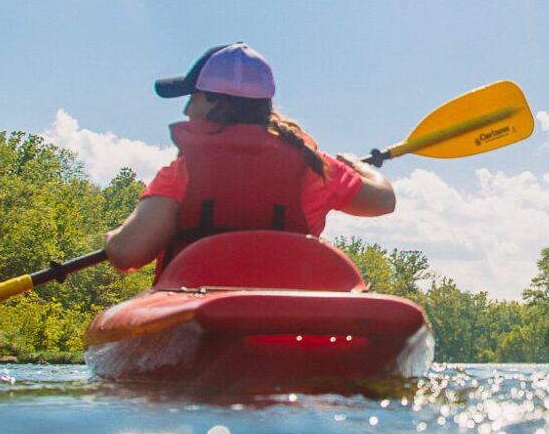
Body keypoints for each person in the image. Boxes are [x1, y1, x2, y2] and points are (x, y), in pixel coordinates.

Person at [101, 43, 396, 277]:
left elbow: (128, 252)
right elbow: (383, 201)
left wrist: (111, 238)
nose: (187, 110)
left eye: (194, 97)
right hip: (282, 314)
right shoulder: (314, 167)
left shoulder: (183, 171)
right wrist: (359, 168)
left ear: (215, 101)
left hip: (198, 315)